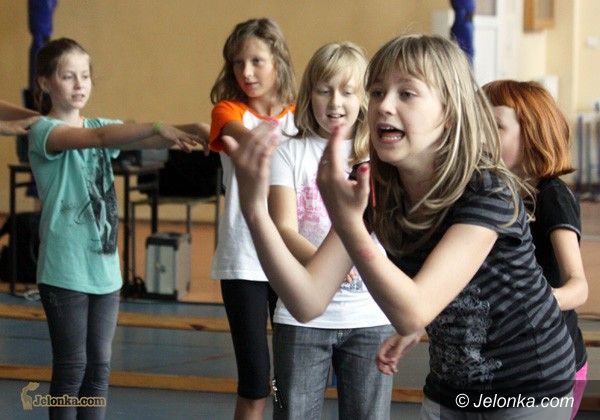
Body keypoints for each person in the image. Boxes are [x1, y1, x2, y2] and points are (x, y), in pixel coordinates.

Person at [221, 34, 575, 419]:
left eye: (407, 93)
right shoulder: (377, 187)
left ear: (449, 111)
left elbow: (413, 311)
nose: (384, 106)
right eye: (376, 92)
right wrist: (255, 212)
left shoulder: (487, 191)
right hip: (451, 386)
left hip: (530, 386)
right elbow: (307, 301)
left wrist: (349, 224)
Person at [28, 37, 205, 419]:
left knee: (99, 370)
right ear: (45, 82)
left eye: (85, 75)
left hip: (105, 270)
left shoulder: (98, 124)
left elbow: (146, 136)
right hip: (64, 270)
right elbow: (100, 138)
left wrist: (193, 127)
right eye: (68, 76)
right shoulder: (44, 131)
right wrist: (158, 126)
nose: (80, 84)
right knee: (72, 367)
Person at [268, 42, 393, 419]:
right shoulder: (288, 152)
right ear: (310, 95)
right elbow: (283, 227)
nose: (335, 102)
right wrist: (329, 265)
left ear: (364, 99)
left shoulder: (381, 155)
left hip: (370, 316)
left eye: (347, 91)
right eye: (324, 90)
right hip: (302, 315)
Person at [483, 79, 588, 420]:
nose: (482, 136)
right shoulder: (496, 192)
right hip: (509, 358)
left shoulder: (551, 195)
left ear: (531, 135)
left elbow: (578, 287)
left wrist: (530, 303)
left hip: (556, 362)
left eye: (495, 126)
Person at [208, 18, 296, 420]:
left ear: (278, 61)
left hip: (290, 255)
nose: (246, 72)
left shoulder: (301, 117)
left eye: (257, 61)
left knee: (294, 380)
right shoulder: (228, 111)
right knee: (255, 380)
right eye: (238, 63)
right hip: (243, 259)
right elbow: (247, 139)